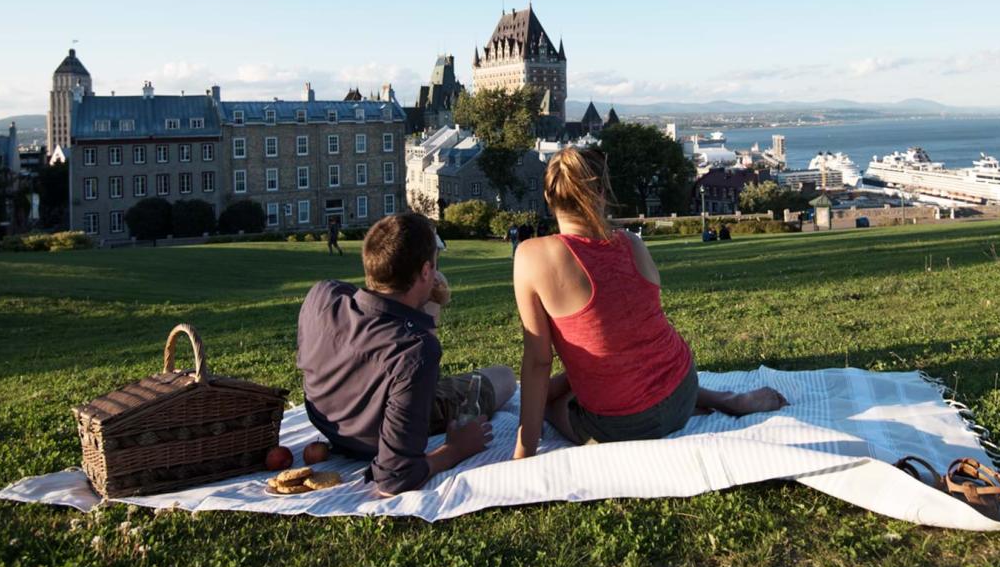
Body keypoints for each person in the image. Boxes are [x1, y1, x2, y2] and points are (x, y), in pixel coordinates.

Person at [510, 148, 787, 458]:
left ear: (549, 197)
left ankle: (720, 400)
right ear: (601, 193)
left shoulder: (532, 256)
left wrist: (524, 451)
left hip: (623, 426)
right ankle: (724, 399)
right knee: (614, 363)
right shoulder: (632, 243)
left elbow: (538, 361)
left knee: (548, 403)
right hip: (683, 390)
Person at [298, 213, 516, 494]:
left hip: (332, 425)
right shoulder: (414, 350)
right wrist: (455, 449)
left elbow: (372, 306)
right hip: (372, 437)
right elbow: (394, 477)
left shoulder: (322, 296)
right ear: (426, 272)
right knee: (504, 377)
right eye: (434, 267)